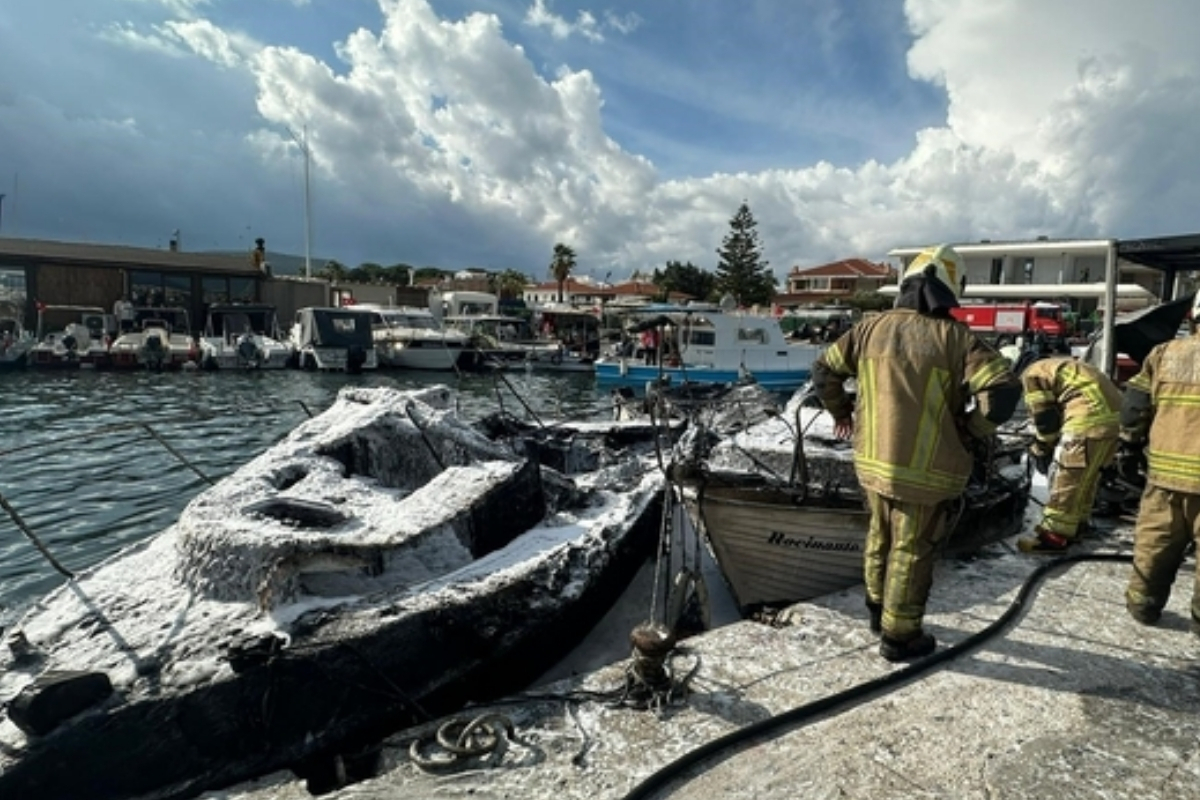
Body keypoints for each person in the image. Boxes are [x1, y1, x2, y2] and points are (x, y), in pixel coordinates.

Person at [811, 244, 1020, 662]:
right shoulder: (957, 338)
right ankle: (900, 636)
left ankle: (877, 611)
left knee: (879, 535)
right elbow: (1002, 393)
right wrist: (971, 428)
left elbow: (823, 370)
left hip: (872, 460)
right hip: (927, 470)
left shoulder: (868, 329)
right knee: (911, 548)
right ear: (949, 288)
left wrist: (842, 412)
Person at [1116, 290, 1200, 637]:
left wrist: (1129, 447)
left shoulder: (1165, 353)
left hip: (1164, 480)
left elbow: (1135, 405)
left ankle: (1144, 606)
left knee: (1154, 544)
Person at [1017, 356, 1123, 553]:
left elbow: (1045, 419)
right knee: (1087, 478)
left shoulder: (1031, 375)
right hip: (1113, 422)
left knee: (1068, 479)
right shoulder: (1059, 366)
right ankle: (1077, 526)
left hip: (1087, 421)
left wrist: (1041, 447)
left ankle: (1053, 537)